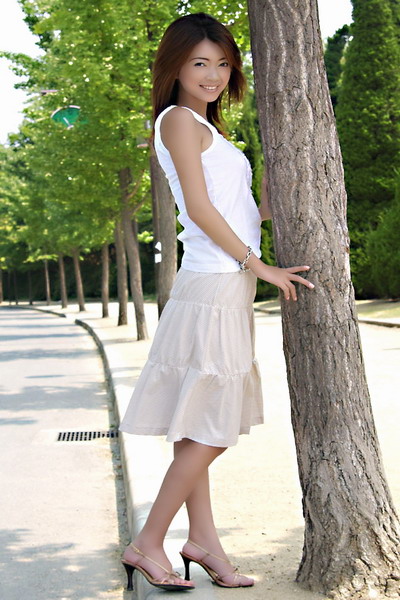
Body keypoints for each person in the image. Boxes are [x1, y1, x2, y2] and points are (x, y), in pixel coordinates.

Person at [119, 12, 314, 593]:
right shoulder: (178, 120)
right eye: (200, 63)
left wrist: (275, 202)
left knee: (197, 425)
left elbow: (231, 211)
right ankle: (148, 542)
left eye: (223, 63)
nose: (213, 74)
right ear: (175, 67)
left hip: (221, 284)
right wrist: (260, 265)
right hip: (214, 286)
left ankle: (203, 541)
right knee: (213, 428)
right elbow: (200, 211)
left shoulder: (206, 126)